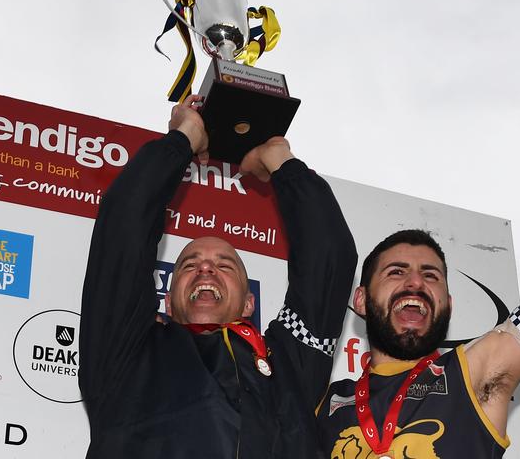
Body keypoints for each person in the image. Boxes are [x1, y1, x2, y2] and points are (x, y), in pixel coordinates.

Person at [316, 96, 520, 458]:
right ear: (360, 299)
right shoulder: (326, 405)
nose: (415, 283)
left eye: (431, 276)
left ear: (448, 304)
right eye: (396, 272)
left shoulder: (471, 374)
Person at [78, 95, 357, 458]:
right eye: (188, 265)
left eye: (225, 265)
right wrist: (183, 138)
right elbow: (123, 227)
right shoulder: (126, 352)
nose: (205, 268)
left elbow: (329, 255)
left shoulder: (288, 360)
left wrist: (279, 159)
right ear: (167, 296)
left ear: (248, 301)